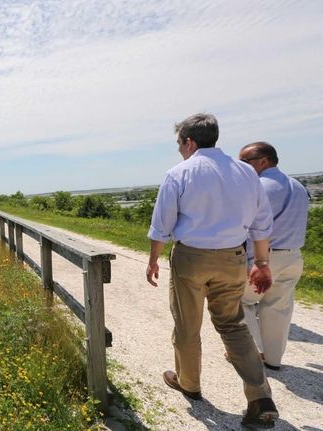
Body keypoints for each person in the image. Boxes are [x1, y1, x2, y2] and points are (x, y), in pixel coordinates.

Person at [145, 113, 279, 427]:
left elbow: (162, 225)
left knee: (188, 325)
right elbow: (262, 224)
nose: (179, 149)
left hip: (191, 258)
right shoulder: (246, 172)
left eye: (179, 144)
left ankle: (189, 383)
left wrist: (153, 260)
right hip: (234, 257)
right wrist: (261, 264)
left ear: (189, 142)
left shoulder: (179, 173)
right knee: (233, 325)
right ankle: (260, 398)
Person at [238, 142, 310, 370]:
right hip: (293, 256)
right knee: (278, 308)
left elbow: (248, 226)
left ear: (263, 161)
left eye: (244, 162)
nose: (241, 167)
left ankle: (252, 352)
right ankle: (273, 358)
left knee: (240, 300)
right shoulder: (298, 186)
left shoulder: (258, 187)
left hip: (265, 258)